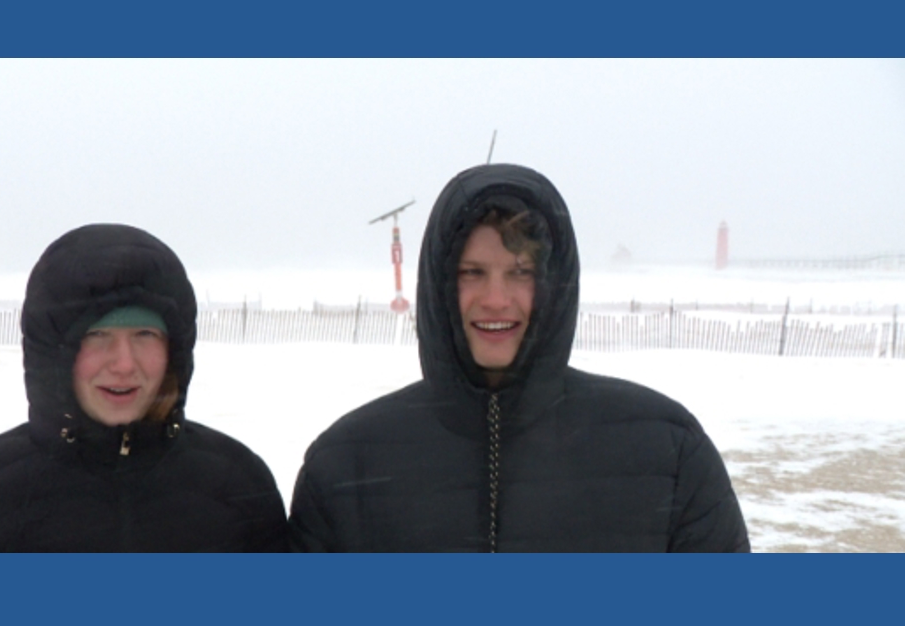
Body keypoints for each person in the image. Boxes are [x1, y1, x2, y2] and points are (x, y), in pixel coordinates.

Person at [288, 164, 750, 552]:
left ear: (553, 284)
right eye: (472, 273)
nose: (495, 298)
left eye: (520, 273)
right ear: (439, 286)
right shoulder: (346, 465)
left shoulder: (667, 452)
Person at [0, 223, 288, 552]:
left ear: (174, 350)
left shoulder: (237, 485)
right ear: (55, 353)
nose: (123, 363)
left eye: (144, 334)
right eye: (97, 334)